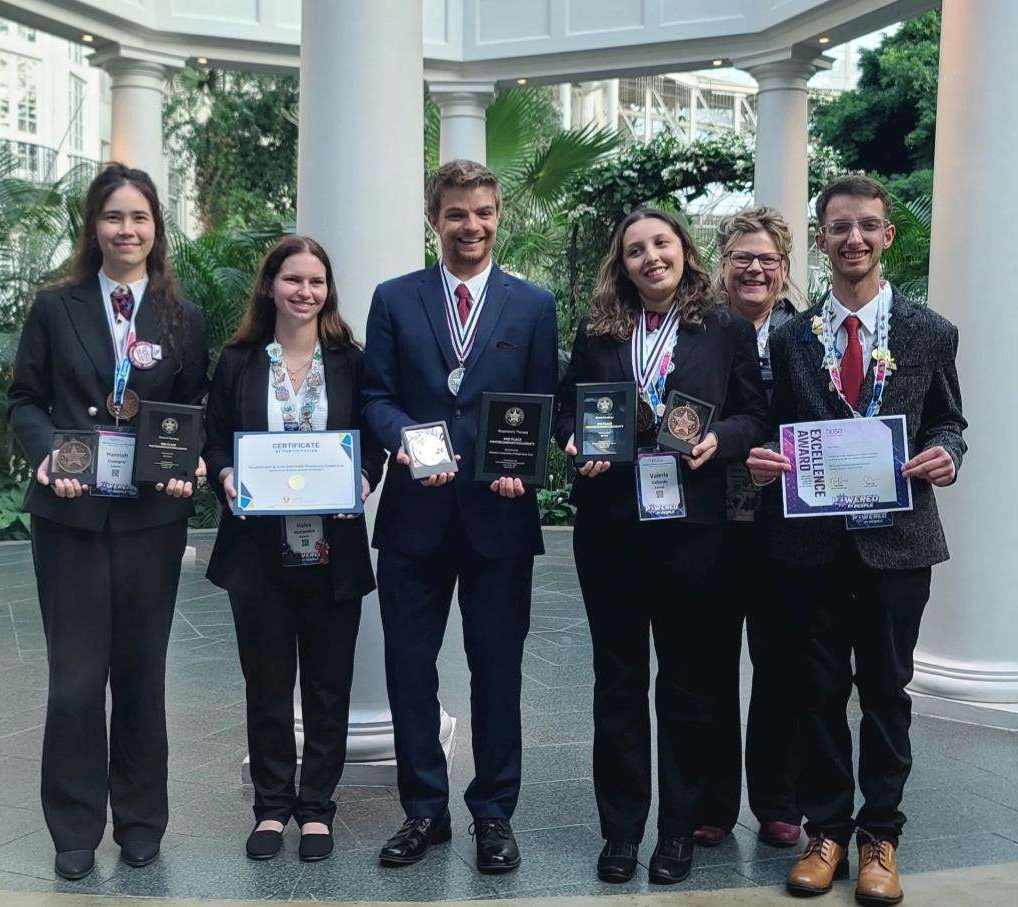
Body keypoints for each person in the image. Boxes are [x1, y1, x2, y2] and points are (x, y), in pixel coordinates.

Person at [747, 175, 966, 905]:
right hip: (810, 546)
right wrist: (762, 455)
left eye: (867, 226)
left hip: (896, 546)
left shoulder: (928, 330)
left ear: (886, 235)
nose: (854, 239)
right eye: (839, 227)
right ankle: (826, 829)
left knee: (884, 691)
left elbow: (946, 420)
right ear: (821, 238)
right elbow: (771, 425)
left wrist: (946, 453)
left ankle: (880, 834)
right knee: (814, 692)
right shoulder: (788, 336)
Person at [554, 208, 767, 885]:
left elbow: (756, 412)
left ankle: (676, 828)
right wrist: (571, 441)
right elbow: (567, 407)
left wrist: (721, 440)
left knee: (687, 683)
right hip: (611, 526)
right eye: (635, 250)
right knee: (616, 682)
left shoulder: (725, 327)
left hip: (691, 528)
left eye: (660, 244)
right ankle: (620, 830)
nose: (650, 257)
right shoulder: (597, 330)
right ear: (621, 264)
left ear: (683, 250)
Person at [7, 163, 208, 881]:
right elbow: (25, 399)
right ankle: (73, 826)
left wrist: (195, 460)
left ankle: (142, 819)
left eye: (140, 218)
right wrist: (44, 453)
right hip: (70, 515)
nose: (127, 230)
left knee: (141, 672)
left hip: (152, 518)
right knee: (73, 677)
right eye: (114, 217)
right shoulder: (56, 307)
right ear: (94, 227)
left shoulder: (181, 316)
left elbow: (195, 407)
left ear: (157, 230)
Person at [362, 159, 558, 874]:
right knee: (410, 668)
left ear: (498, 214)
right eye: (456, 214)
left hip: (498, 517)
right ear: (432, 218)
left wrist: (520, 463)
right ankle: (423, 810)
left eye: (483, 212)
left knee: (497, 669)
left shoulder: (532, 304)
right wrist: (406, 448)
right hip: (414, 515)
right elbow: (375, 396)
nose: (470, 225)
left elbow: (541, 402)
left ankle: (493, 811)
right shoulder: (394, 298)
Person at [203, 235, 385, 863]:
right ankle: (272, 808)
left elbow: (375, 438)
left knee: (329, 685)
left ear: (327, 290)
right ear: (270, 286)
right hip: (257, 550)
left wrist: (363, 477)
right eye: (293, 280)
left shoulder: (351, 361)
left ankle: (316, 810)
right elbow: (215, 436)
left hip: (331, 543)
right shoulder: (240, 360)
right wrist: (225, 473)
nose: (305, 293)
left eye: (316, 282)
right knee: (268, 684)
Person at [693, 206, 802, 850]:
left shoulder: (808, 335)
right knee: (707, 664)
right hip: (710, 522)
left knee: (782, 665)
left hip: (788, 530)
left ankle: (779, 801)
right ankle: (711, 802)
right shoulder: (696, 330)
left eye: (767, 259)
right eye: (742, 257)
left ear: (785, 268)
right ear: (722, 265)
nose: (754, 268)